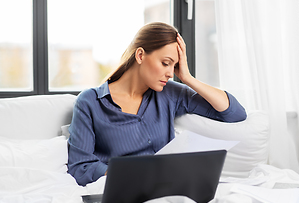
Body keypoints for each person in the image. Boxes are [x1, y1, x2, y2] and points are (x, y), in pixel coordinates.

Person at [67, 22, 247, 186]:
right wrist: (130, 175)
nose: (170, 73)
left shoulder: (170, 93)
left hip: (169, 188)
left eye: (174, 66)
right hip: (122, 188)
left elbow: (234, 113)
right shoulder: (90, 102)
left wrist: (187, 78)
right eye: (165, 63)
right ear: (140, 55)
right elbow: (80, 167)